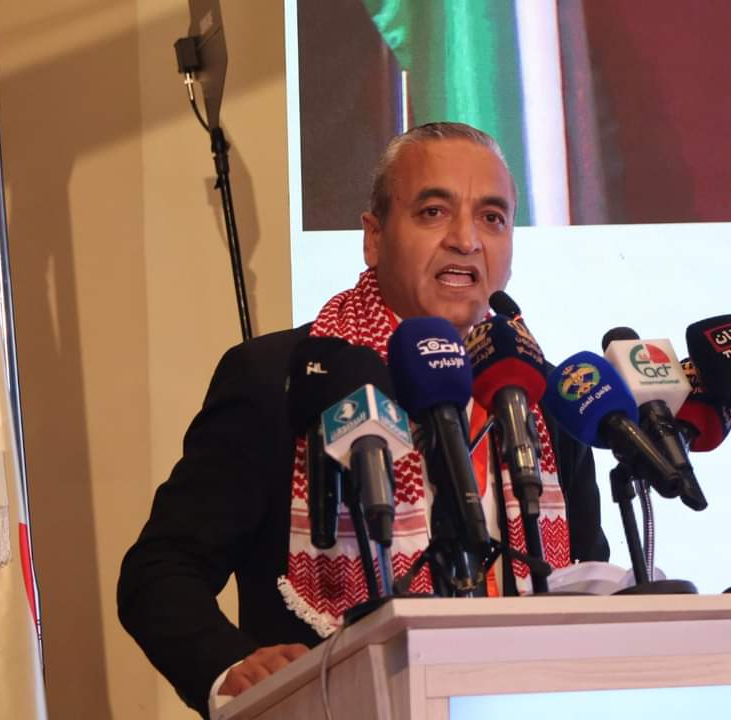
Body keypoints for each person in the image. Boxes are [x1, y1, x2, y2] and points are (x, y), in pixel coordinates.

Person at [117, 122, 608, 718]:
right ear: (374, 238)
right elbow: (161, 571)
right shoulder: (278, 380)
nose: (465, 240)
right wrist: (229, 667)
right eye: (433, 212)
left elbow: (585, 577)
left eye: (492, 218)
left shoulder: (534, 395)